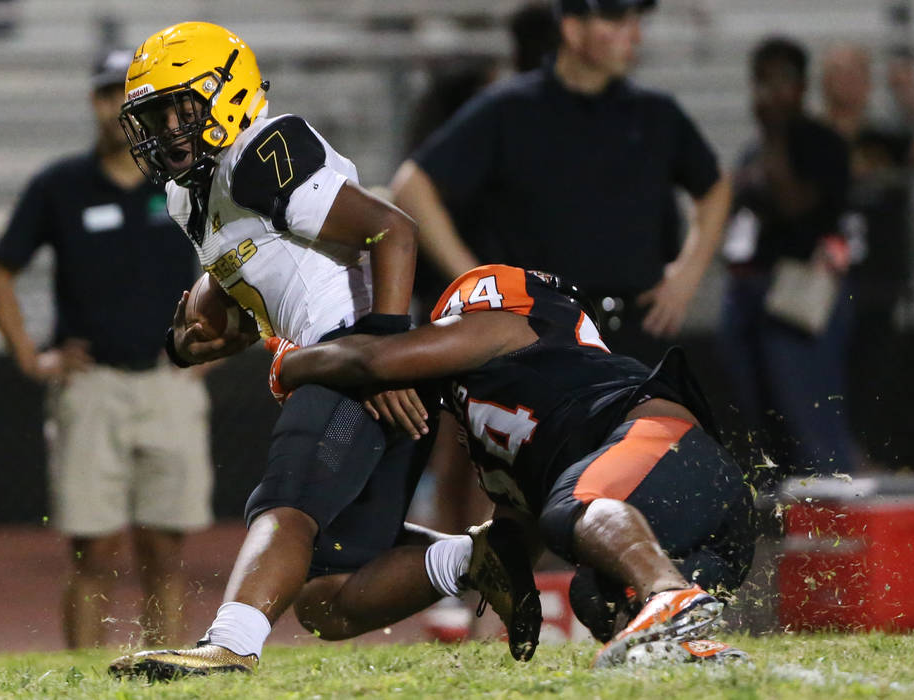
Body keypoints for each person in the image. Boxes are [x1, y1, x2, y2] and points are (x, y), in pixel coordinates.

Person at [105, 22, 536, 681]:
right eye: (153, 115)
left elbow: (393, 230)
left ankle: (230, 644)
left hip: (361, 354)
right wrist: (199, 334)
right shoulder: (189, 195)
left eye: (178, 107)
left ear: (228, 94)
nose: (165, 128)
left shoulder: (262, 149)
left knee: (285, 506)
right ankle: (482, 558)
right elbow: (260, 297)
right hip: (357, 358)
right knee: (326, 598)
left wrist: (386, 351)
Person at [268, 264, 757, 666]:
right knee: (597, 597)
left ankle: (668, 593)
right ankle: (694, 649)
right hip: (703, 513)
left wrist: (288, 361)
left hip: (660, 446)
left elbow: (374, 359)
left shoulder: (505, 324)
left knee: (569, 508)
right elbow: (503, 550)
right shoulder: (506, 431)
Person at [0, 48, 213, 648]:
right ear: (95, 102)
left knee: (166, 550)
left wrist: (216, 345)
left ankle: (169, 679)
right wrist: (32, 357)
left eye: (131, 96)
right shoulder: (61, 186)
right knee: (94, 554)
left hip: (168, 382)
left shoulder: (186, 178)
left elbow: (239, 263)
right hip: (92, 387)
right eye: (111, 95)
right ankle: (85, 683)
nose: (119, 108)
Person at [391, 0, 731, 368]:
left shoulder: (656, 114)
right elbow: (413, 186)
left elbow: (714, 187)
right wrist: (481, 289)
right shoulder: (510, 109)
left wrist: (688, 274)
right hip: (541, 338)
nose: (634, 34)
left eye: (637, 21)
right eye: (617, 20)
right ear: (573, 28)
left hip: (638, 335)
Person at [717, 36, 855, 481]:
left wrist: (776, 136)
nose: (771, 94)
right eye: (762, 83)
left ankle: (837, 527)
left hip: (799, 297)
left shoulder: (821, 143)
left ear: (802, 86)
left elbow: (796, 203)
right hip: (749, 293)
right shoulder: (753, 151)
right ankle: (791, 520)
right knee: (765, 421)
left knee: (809, 416)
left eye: (782, 82)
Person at [820, 42, 914, 467]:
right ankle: (832, 461)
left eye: (854, 73)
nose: (846, 83)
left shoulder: (885, 138)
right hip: (821, 288)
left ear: (867, 83)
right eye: (837, 73)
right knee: (822, 381)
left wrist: (910, 100)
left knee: (873, 379)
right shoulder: (810, 136)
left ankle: (867, 462)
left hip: (879, 285)